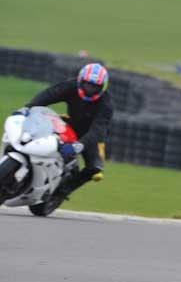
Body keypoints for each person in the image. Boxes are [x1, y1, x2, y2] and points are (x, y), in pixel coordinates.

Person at [21, 63, 114, 199]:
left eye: (94, 87)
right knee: (39, 127)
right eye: (87, 84)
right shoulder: (71, 86)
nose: (89, 89)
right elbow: (49, 94)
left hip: (91, 136)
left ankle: (63, 191)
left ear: (102, 87)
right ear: (80, 80)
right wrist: (28, 107)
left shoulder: (106, 105)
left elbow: (98, 129)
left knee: (96, 170)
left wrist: (79, 145)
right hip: (69, 123)